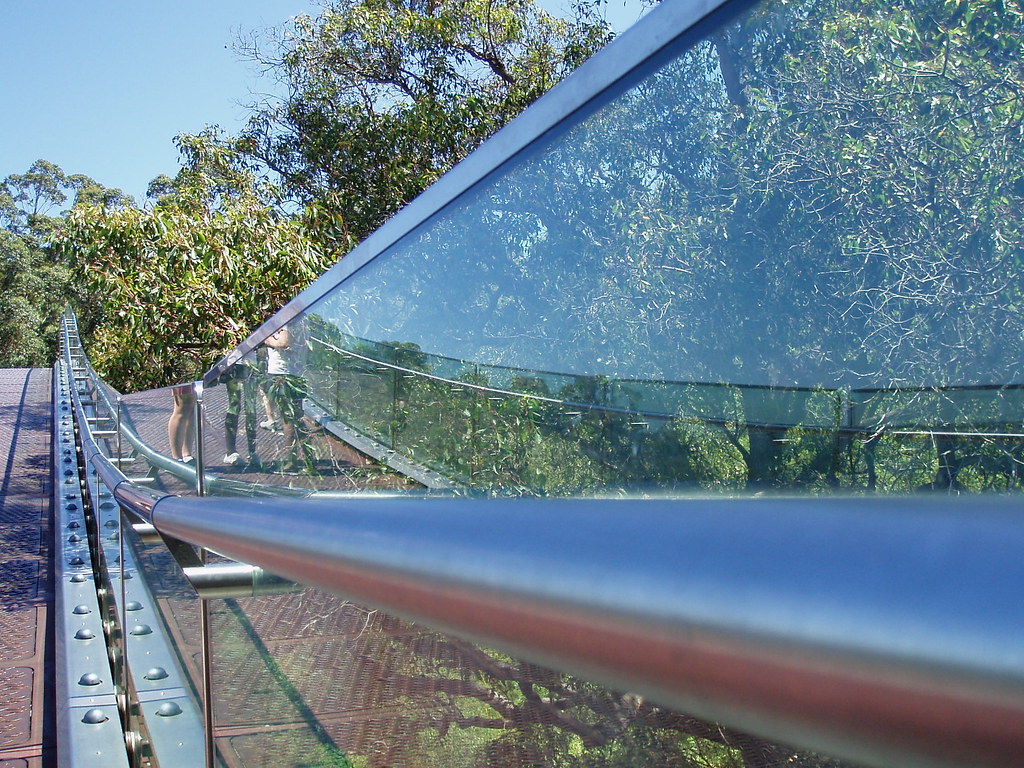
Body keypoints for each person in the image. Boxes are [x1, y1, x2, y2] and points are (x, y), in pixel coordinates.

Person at [263, 324, 312, 472]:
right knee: (295, 417)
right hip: (294, 372)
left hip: (284, 374)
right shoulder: (303, 320)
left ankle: (292, 462)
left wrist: (267, 339)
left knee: (288, 418)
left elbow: (283, 342)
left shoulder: (289, 320)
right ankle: (307, 460)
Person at [167, 384, 195, 464]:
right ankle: (176, 458)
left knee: (192, 407)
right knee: (182, 407)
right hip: (184, 376)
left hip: (195, 374)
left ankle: (186, 453)